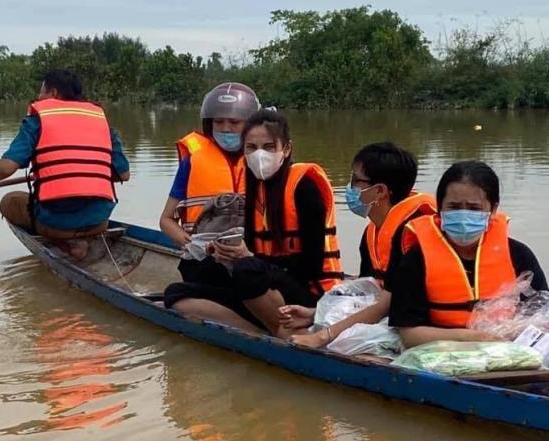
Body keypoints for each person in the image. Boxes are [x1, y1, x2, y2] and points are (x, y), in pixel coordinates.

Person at [163, 109, 343, 336]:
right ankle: (263, 333)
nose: (260, 155)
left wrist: (250, 260)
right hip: (272, 285)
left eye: (269, 147)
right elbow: (253, 248)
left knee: (247, 271)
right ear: (244, 150)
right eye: (251, 148)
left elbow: (311, 266)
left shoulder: (304, 186)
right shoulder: (257, 188)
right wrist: (224, 253)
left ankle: (286, 332)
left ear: (286, 149)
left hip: (312, 293)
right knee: (180, 288)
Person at [284, 142, 435, 348]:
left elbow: (385, 304)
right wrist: (314, 314)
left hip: (420, 320)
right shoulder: (372, 233)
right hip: (391, 311)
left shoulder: (411, 234)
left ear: (380, 190)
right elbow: (370, 291)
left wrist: (323, 336)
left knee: (336, 342)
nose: (349, 188)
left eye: (356, 180)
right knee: (292, 329)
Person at [0, 69, 129, 258]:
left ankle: (66, 243)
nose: (38, 96)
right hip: (99, 221)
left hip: (56, 225)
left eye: (41, 91)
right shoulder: (102, 123)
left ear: (53, 93)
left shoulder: (36, 121)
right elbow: (123, 174)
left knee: (9, 201)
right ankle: (84, 238)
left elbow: (6, 167)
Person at [389, 160, 548, 348]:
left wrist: (510, 334)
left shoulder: (518, 254)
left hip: (510, 350)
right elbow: (410, 334)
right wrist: (474, 337)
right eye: (454, 207)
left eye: (474, 208)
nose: (463, 215)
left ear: (493, 210)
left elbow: (542, 315)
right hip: (441, 353)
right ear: (440, 209)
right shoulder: (416, 259)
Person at [159, 81, 260, 279]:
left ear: (250, 124)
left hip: (252, 257)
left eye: (234, 122)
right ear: (209, 123)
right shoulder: (192, 161)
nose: (226, 128)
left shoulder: (262, 161)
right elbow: (166, 220)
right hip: (204, 260)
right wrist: (190, 244)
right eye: (219, 121)